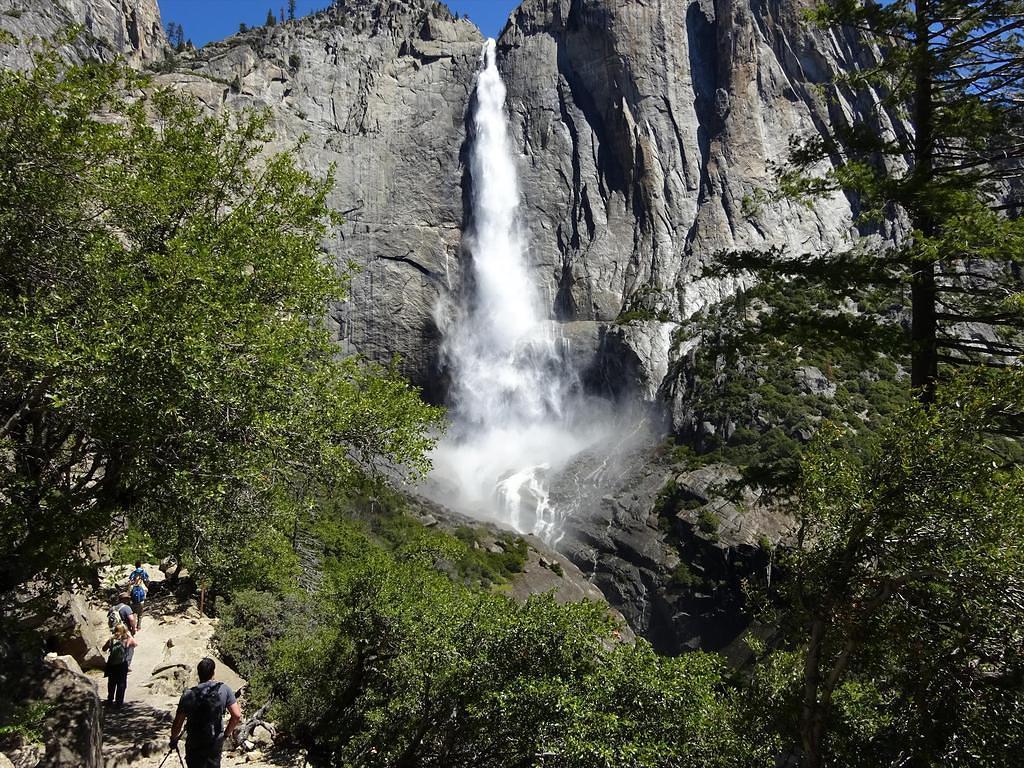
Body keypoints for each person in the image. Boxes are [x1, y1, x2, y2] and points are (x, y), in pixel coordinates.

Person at [169, 657, 242, 768]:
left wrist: (174, 738)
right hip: (215, 740)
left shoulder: (188, 694)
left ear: (198, 673)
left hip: (194, 741)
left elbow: (178, 722)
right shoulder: (224, 689)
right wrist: (226, 734)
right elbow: (236, 716)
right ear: (213, 672)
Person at [102, 623, 137, 707]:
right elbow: (135, 644)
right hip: (122, 664)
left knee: (111, 683)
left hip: (112, 664)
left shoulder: (111, 639)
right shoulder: (126, 639)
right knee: (121, 683)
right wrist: (129, 635)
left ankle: (110, 699)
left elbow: (104, 649)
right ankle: (119, 702)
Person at [108, 594, 137, 668]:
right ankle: (126, 665)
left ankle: (115, 663)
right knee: (129, 646)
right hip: (125, 630)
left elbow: (109, 620)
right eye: (127, 599)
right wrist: (133, 628)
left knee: (116, 646)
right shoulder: (127, 608)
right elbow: (131, 619)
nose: (128, 600)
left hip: (115, 630)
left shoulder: (112, 608)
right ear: (124, 599)